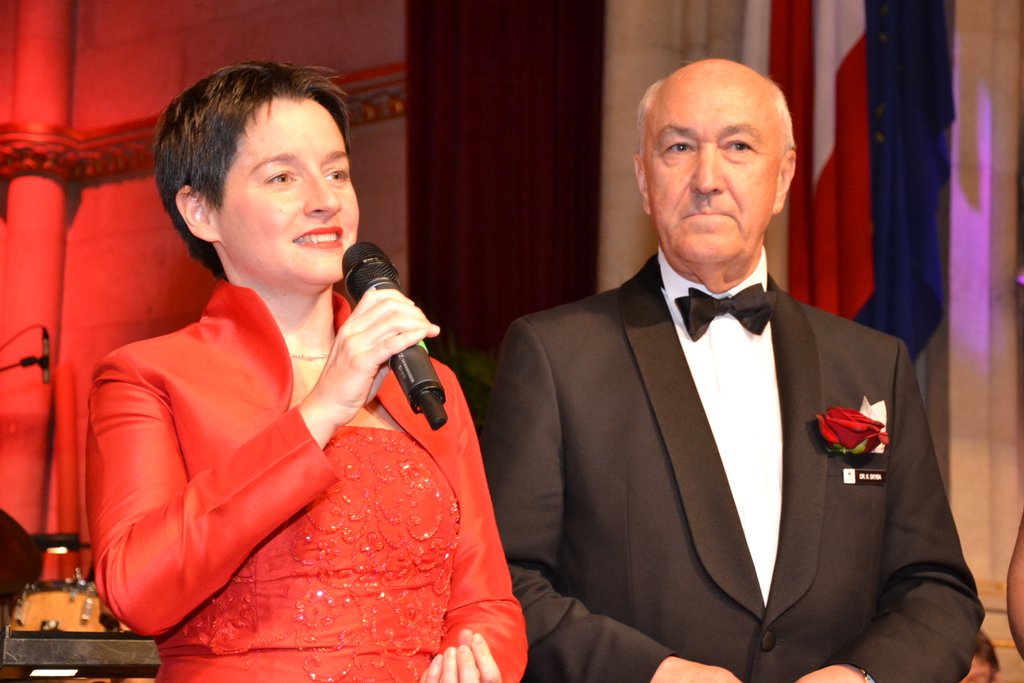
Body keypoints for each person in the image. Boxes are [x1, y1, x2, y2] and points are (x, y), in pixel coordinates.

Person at [481, 58, 982, 682]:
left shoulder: (874, 364)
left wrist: (862, 677)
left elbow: (936, 592)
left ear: (784, 177)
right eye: (679, 148)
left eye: (738, 146)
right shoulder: (555, 356)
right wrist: (654, 674)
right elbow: (501, 585)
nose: (707, 179)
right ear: (643, 178)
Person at [86, 61, 526, 683]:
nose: (325, 200)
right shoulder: (146, 377)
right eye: (282, 176)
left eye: (337, 172)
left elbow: (487, 602)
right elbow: (137, 589)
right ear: (200, 211)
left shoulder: (428, 382)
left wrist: (476, 665)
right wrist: (320, 411)